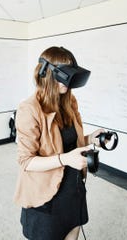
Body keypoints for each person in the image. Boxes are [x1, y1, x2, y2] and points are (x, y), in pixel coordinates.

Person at [14, 46, 107, 240]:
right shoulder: (29, 109)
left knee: (73, 230)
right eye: (66, 76)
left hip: (74, 186)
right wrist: (65, 159)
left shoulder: (69, 102)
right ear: (47, 74)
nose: (69, 83)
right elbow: (26, 161)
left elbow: (72, 142)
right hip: (46, 194)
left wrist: (92, 139)